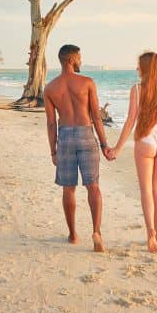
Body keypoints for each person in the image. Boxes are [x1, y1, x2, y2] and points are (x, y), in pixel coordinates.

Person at [108, 51, 157, 252]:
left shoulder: (137, 90)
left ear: (146, 68)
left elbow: (130, 121)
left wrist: (118, 149)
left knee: (146, 190)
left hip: (145, 140)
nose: (137, 68)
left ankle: (151, 236)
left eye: (139, 65)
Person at [44, 44, 112, 252]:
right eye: (79, 58)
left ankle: (73, 235)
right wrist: (104, 144)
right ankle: (97, 232)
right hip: (85, 134)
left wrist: (53, 151)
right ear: (71, 60)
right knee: (93, 186)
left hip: (64, 137)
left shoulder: (50, 87)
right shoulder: (87, 82)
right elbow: (96, 117)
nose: (81, 61)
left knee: (68, 188)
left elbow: (50, 123)